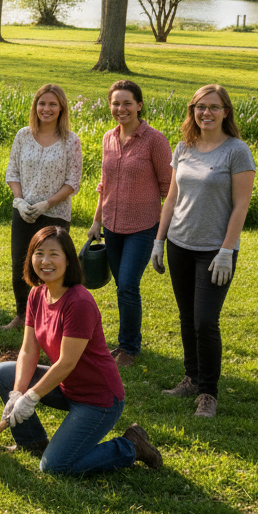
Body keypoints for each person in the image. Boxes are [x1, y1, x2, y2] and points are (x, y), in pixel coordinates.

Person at [0, 226, 163, 475]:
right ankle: (32, 442)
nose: (45, 261)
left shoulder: (79, 302)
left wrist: (31, 397)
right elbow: (28, 350)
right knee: (4, 373)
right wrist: (17, 393)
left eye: (54, 254)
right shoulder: (37, 294)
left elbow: (66, 363)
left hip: (98, 400)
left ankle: (131, 446)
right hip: (66, 387)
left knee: (55, 466)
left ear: (69, 260)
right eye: (39, 253)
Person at [153, 84, 255, 418]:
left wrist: (227, 250)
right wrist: (159, 240)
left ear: (226, 112)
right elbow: (172, 198)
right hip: (179, 243)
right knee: (187, 317)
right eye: (200, 107)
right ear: (192, 111)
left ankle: (208, 393)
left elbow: (241, 206)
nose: (206, 113)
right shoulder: (184, 147)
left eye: (213, 107)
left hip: (215, 250)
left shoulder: (237, 151)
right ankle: (191, 378)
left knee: (206, 321)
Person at [88, 80, 172, 368]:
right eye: (115, 103)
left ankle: (129, 348)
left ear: (139, 105)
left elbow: (169, 188)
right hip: (112, 225)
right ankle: (125, 342)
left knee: (127, 285)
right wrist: (96, 221)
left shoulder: (155, 140)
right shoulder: (108, 138)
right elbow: (105, 184)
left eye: (127, 103)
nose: (120, 108)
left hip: (143, 226)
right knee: (121, 287)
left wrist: (163, 233)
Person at [2, 84, 82, 330]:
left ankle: (51, 317)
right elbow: (12, 171)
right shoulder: (23, 135)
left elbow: (73, 182)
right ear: (35, 106)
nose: (46, 109)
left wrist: (47, 203)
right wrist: (19, 200)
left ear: (61, 108)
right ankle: (22, 315)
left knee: (52, 266)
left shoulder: (71, 141)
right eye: (42, 103)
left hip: (54, 214)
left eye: (52, 104)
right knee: (22, 263)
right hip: (24, 212)